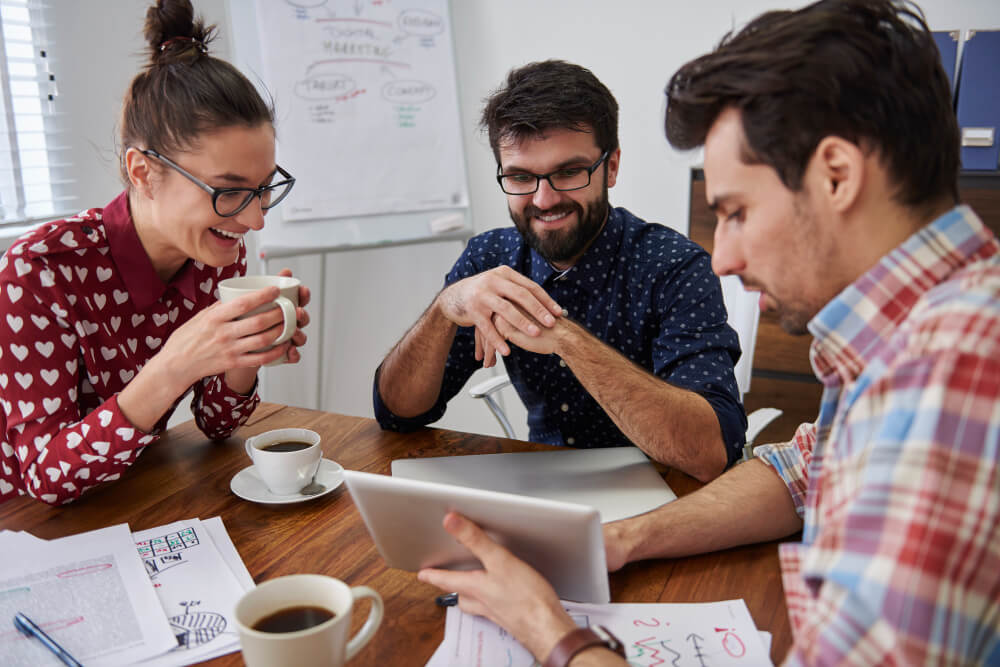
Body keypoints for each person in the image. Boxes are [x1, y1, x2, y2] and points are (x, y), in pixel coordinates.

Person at [417, 1, 1000, 664]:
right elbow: (798, 468)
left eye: (736, 211)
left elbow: (717, 449)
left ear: (837, 174)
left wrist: (552, 630)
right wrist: (621, 541)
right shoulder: (914, 335)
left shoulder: (948, 380)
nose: (723, 256)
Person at [0, 0, 310, 506]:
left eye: (264, 189)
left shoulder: (219, 254)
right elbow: (45, 477)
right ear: (143, 173)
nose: (255, 220)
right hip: (26, 521)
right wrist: (175, 365)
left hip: (133, 492)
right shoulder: (39, 270)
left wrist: (244, 352)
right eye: (228, 191)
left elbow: (215, 424)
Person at [374, 60, 745, 481]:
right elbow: (397, 414)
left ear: (612, 167)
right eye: (520, 177)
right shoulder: (489, 258)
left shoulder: (673, 266)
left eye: (569, 172)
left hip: (664, 494)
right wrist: (444, 308)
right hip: (544, 489)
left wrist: (566, 338)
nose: (544, 199)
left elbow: (710, 454)